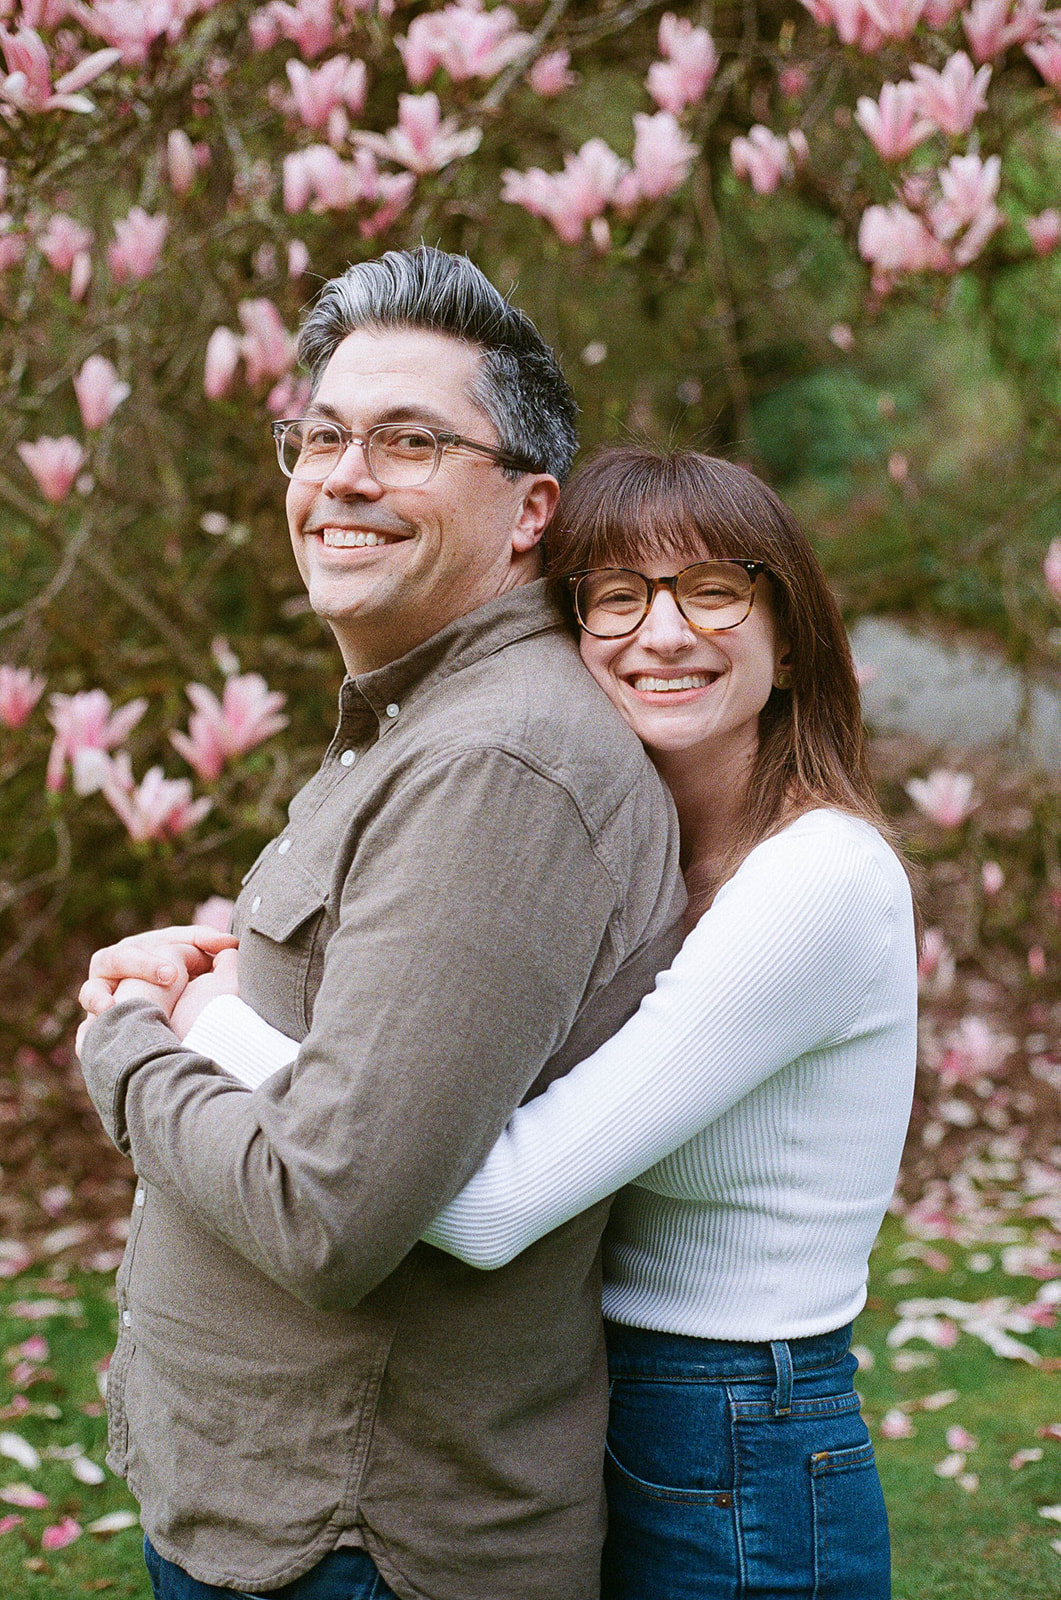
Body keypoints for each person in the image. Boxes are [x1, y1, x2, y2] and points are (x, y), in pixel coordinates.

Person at [161, 446, 919, 1600]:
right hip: (612, 1401)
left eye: (713, 589)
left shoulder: (814, 881)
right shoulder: (650, 851)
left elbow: (486, 1203)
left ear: (789, 628)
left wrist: (203, 1020)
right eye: (615, 597)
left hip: (733, 1434)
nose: (660, 633)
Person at [75, 251, 686, 1600]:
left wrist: (125, 1043)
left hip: (357, 1543)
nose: (345, 476)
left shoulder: (497, 767)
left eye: (410, 441)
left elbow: (330, 1211)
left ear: (532, 508)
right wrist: (225, 979)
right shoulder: (417, 724)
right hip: (280, 1512)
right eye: (324, 434)